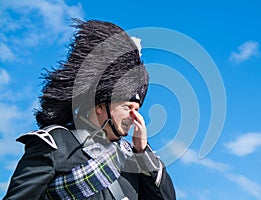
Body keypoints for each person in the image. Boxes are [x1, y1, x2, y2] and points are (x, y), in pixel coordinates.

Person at [4, 19, 176, 200]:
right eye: (127, 107)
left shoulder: (132, 160)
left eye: (137, 109)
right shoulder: (56, 144)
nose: (134, 117)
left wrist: (142, 153)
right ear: (101, 105)